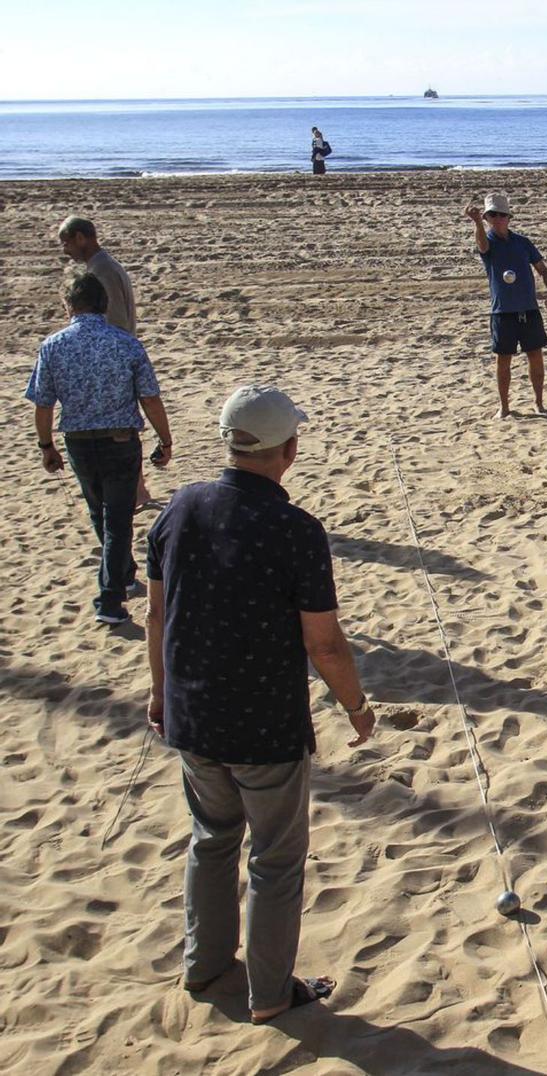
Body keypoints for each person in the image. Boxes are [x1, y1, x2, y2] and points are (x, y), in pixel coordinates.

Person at [145, 385, 377, 1023]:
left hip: (192, 712)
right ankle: (271, 996)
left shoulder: (179, 508)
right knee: (275, 860)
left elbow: (157, 616)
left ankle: (205, 963)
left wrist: (160, 693)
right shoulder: (295, 529)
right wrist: (356, 706)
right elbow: (325, 643)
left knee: (211, 839)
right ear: (289, 451)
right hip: (264, 725)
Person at [25, 272, 172, 625]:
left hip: (77, 441)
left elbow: (43, 404)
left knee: (99, 513)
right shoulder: (125, 343)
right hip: (119, 440)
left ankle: (121, 576)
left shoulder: (53, 345)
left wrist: (46, 445)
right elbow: (150, 398)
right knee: (117, 521)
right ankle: (109, 599)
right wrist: (165, 439)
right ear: (103, 303)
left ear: (68, 306)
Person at [58, 214, 155, 509]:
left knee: (123, 429)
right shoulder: (103, 266)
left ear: (81, 237)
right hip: (118, 355)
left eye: (66, 242)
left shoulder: (101, 271)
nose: (65, 250)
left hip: (114, 358)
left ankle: (138, 493)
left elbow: (116, 320)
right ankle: (138, 491)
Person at [465, 193, 547, 418]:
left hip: (528, 309)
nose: (497, 218)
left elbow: (542, 269)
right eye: (492, 215)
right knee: (503, 360)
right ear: (487, 218)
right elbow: (481, 244)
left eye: (501, 214)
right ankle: (505, 408)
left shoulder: (522, 243)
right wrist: (477, 222)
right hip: (502, 312)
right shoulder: (487, 242)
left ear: (508, 217)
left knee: (535, 356)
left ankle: (539, 403)